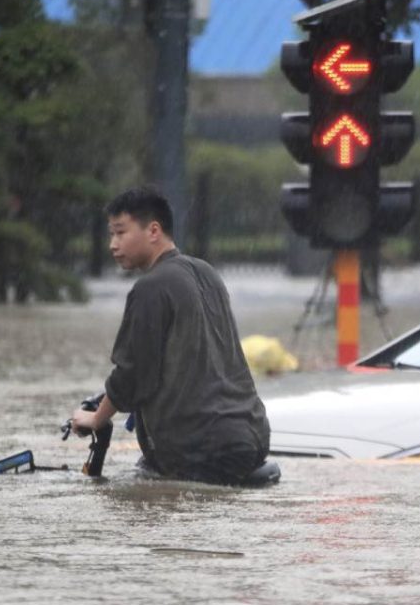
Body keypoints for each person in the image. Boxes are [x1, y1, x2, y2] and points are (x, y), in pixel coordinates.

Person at [69, 186, 271, 485]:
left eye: (121, 233)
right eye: (111, 234)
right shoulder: (207, 273)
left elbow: (133, 374)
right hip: (252, 437)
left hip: (199, 450)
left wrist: (96, 418)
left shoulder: (151, 287)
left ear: (153, 231)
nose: (112, 244)